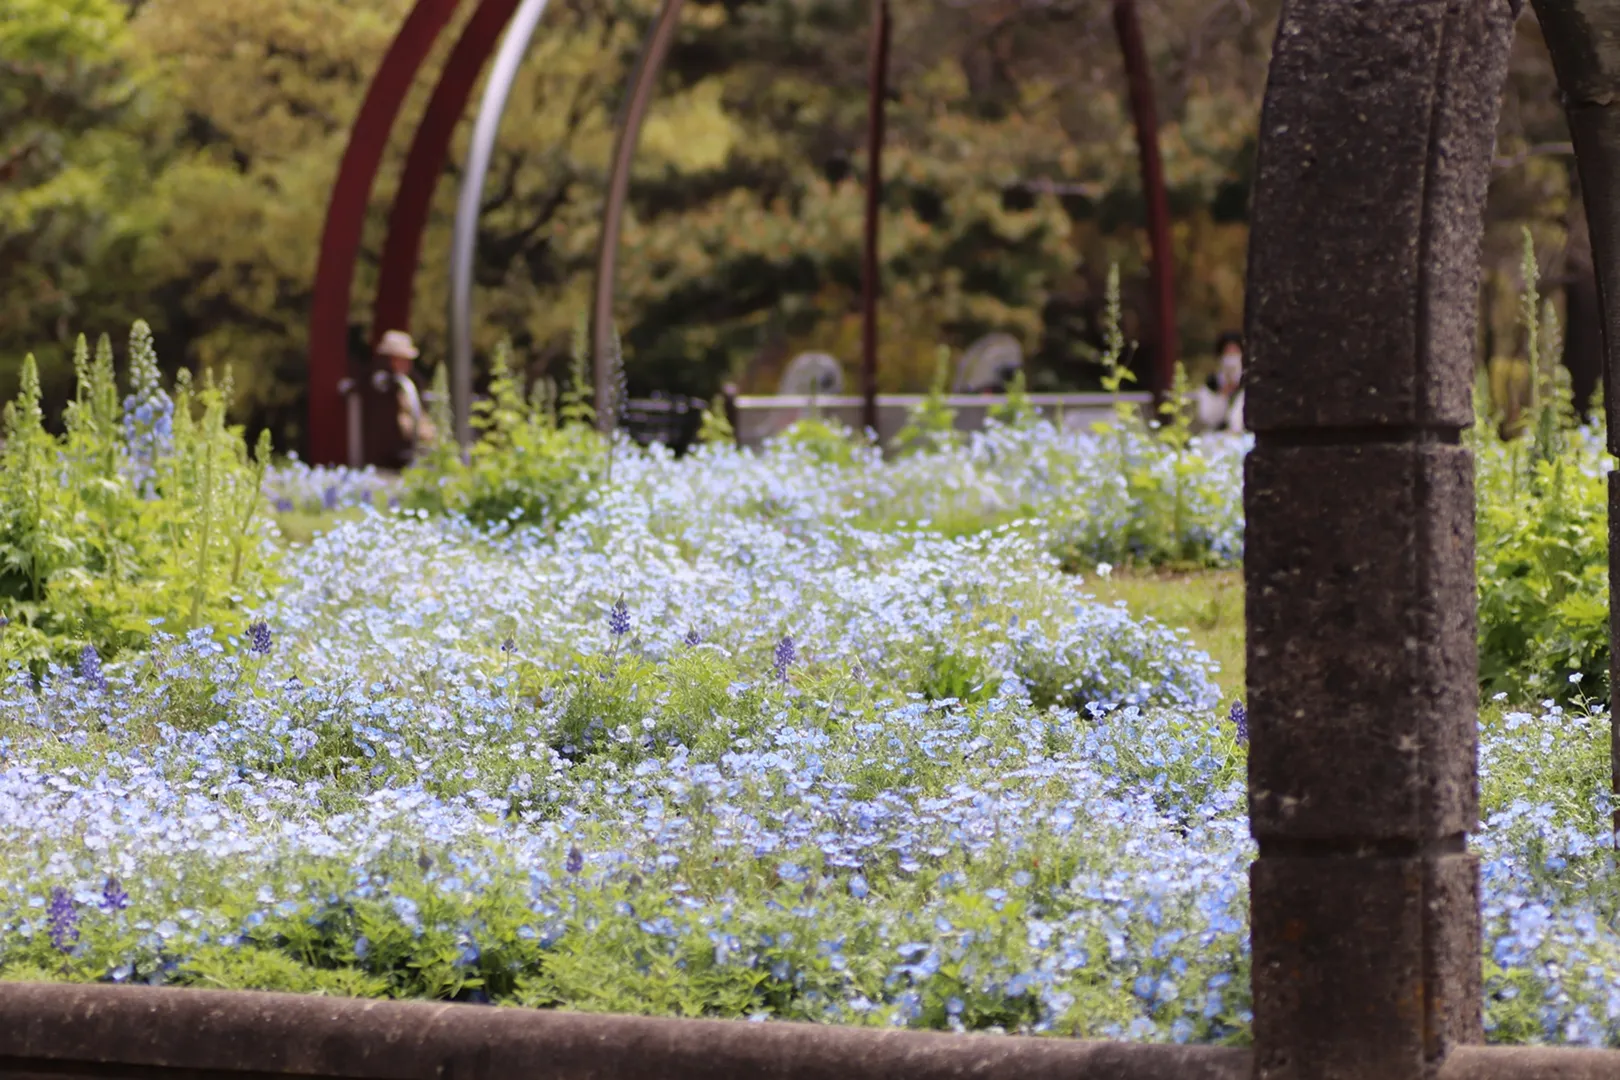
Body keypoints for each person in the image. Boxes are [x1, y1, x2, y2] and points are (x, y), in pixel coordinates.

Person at [374, 330, 437, 455]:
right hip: (392, 440)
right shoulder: (382, 382)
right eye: (401, 359)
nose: (407, 364)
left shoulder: (413, 380)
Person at [1193, 331, 1244, 433]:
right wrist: (1223, 394)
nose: (1232, 357)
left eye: (1236, 352)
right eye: (1228, 352)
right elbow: (1208, 417)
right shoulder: (1212, 383)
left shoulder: (1250, 382)